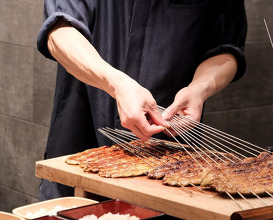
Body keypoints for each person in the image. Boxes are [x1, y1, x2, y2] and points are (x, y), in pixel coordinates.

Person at [37, 0, 247, 200]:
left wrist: (199, 88)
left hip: (169, 155)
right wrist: (115, 83)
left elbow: (227, 47)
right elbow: (59, 31)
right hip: (82, 135)